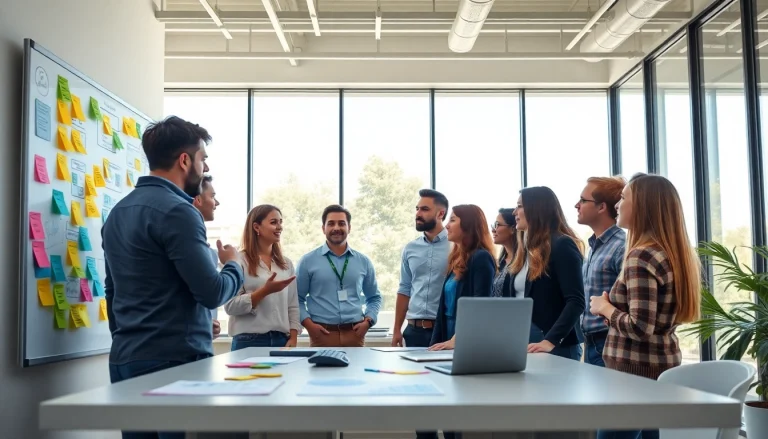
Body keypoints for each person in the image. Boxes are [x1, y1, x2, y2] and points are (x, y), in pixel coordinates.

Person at [102, 116, 244, 439]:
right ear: (184, 161)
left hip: (126, 359)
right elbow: (212, 292)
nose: (205, 168)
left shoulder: (117, 213)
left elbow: (112, 292)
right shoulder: (180, 212)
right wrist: (234, 265)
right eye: (202, 159)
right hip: (175, 364)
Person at [590, 174, 701, 439]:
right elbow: (653, 319)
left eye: (623, 198)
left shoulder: (641, 256)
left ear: (642, 205)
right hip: (661, 367)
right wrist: (614, 311)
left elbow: (640, 327)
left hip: (633, 374)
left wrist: (604, 308)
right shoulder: (671, 253)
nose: (617, 204)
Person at [510, 186, 585, 360]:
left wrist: (550, 340)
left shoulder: (562, 244)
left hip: (553, 346)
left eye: (519, 206)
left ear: (536, 209)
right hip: (525, 341)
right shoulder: (524, 251)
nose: (514, 212)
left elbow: (576, 301)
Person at [297, 204, 382, 347]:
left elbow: (374, 298)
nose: (336, 228)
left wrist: (368, 322)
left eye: (342, 223)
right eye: (331, 223)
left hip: (355, 334)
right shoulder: (307, 261)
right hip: (322, 335)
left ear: (349, 227)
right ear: (323, 228)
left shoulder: (364, 262)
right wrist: (309, 326)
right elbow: (296, 299)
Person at [224, 205, 300, 350]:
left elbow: (293, 305)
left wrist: (294, 336)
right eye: (273, 222)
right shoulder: (238, 261)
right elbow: (230, 306)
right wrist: (264, 291)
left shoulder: (286, 264)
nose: (280, 227)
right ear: (256, 227)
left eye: (281, 222)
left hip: (282, 341)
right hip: (248, 342)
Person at [428, 204, 496, 351]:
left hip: (467, 337)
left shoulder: (481, 257)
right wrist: (433, 347)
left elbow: (481, 306)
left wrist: (458, 338)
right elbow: (442, 311)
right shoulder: (455, 260)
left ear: (468, 224)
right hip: (448, 333)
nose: (446, 226)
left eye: (452, 220)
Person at [575, 176, 626, 367]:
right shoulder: (594, 246)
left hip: (610, 342)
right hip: (592, 343)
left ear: (601, 207)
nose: (576, 205)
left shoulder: (621, 247)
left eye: (583, 200)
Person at [391, 189, 451, 351]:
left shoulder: (456, 247)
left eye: (425, 209)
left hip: (444, 330)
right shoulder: (410, 248)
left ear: (440, 214)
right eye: (417, 209)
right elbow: (404, 289)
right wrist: (396, 329)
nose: (418, 214)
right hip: (413, 331)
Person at [193, 174, 222, 338]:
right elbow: (214, 292)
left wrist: (208, 323)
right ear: (197, 199)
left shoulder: (209, 253)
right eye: (212, 196)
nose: (216, 203)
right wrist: (233, 265)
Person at [491, 208, 519, 297]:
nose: (493, 230)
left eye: (497, 225)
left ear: (513, 229)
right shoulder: (500, 262)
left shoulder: (524, 262)